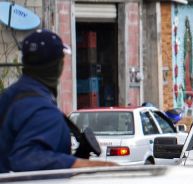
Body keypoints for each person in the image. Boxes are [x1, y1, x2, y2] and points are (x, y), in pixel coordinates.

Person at [0, 29, 115, 173]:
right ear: (57, 66)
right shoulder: (43, 111)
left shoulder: (9, 97)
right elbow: (26, 160)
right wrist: (83, 165)